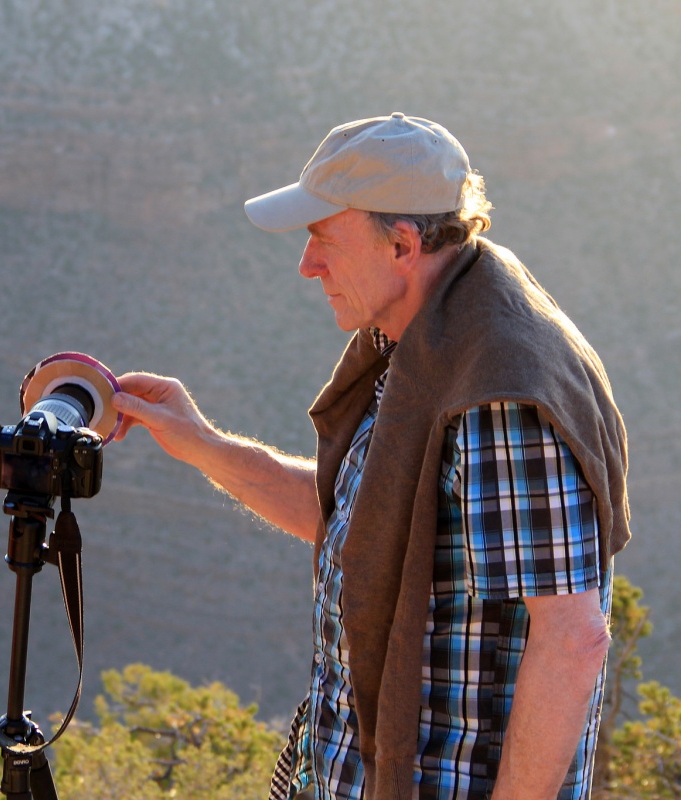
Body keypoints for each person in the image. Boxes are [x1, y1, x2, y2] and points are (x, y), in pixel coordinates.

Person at [110, 113, 630, 800]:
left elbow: (573, 638)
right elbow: (358, 522)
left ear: (404, 244)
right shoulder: (418, 343)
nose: (307, 264)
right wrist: (202, 445)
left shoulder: (496, 395)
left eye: (324, 238)